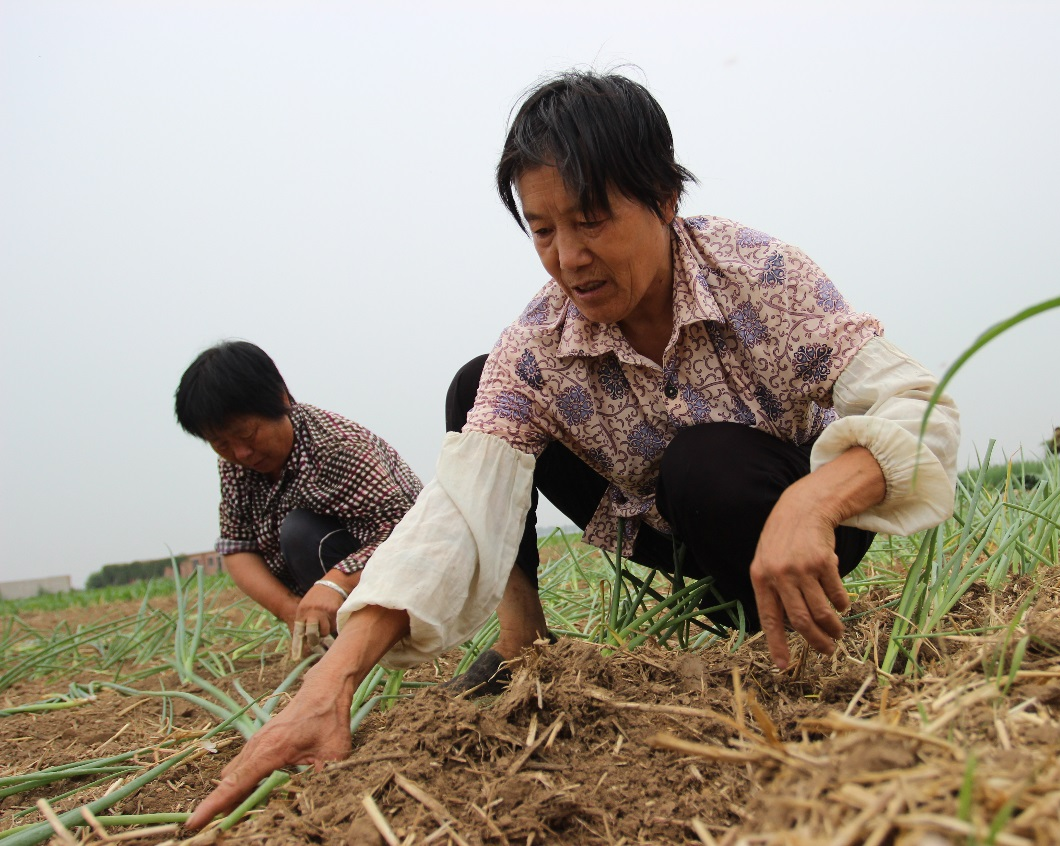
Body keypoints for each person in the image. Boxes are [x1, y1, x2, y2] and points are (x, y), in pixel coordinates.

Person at [186, 72, 960, 830]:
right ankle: (523, 644)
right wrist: (330, 685)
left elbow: (917, 406)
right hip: (668, 528)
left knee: (706, 464)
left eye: (590, 219)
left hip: (800, 526)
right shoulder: (540, 343)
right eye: (543, 229)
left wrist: (813, 500)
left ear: (663, 199)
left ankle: (778, 626)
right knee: (476, 389)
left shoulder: (758, 273)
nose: (568, 257)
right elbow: (456, 512)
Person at [174, 341, 423, 650]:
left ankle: (375, 640)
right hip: (341, 584)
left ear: (281, 400)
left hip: (409, 581)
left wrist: (335, 583)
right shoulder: (235, 463)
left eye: (247, 434)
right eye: (220, 443)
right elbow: (238, 546)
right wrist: (289, 609)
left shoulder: (337, 447)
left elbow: (409, 535)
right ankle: (338, 641)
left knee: (299, 531)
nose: (241, 452)